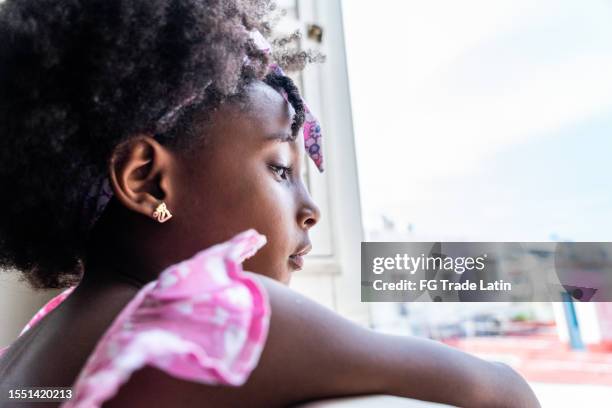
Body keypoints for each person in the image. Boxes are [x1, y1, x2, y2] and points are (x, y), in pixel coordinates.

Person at [0, 0, 540, 406]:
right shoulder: (206, 316)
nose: (311, 210)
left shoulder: (29, 347)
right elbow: (502, 390)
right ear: (148, 182)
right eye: (281, 169)